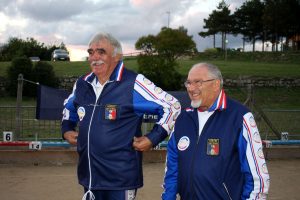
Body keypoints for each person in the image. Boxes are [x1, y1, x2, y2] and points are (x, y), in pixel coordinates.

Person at [61, 32, 181, 200]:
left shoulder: (134, 82)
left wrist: (153, 138)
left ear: (117, 56)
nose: (94, 56)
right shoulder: (82, 83)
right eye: (90, 52)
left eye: (101, 52)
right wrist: (66, 129)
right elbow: (68, 107)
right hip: (89, 177)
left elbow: (173, 106)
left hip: (120, 180)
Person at [162, 63, 270, 200]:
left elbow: (258, 178)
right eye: (188, 83)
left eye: (198, 82)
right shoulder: (182, 119)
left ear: (216, 84)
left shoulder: (239, 117)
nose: (191, 88)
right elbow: (172, 170)